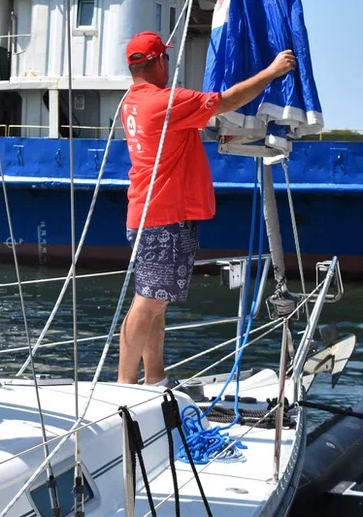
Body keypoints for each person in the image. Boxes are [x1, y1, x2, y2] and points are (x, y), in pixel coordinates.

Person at [118, 31, 296, 385]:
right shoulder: (165, 102)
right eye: (166, 58)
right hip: (163, 215)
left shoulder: (133, 102)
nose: (169, 64)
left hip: (149, 212)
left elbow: (181, 129)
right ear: (158, 62)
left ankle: (154, 376)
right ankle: (124, 383)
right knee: (148, 301)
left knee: (157, 300)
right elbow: (227, 100)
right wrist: (273, 71)